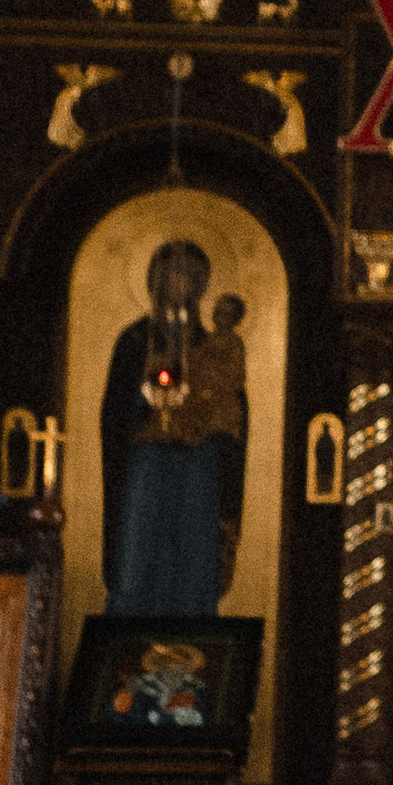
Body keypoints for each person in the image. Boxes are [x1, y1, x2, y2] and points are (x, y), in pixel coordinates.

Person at [101, 241, 247, 619]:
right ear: (155, 281)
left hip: (198, 460)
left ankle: (194, 623)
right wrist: (144, 402)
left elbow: (233, 404)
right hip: (146, 460)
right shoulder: (134, 340)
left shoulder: (213, 344)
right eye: (171, 275)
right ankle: (129, 626)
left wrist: (206, 411)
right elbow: (114, 410)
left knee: (193, 544)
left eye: (189, 277)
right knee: (141, 539)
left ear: (201, 286)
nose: (180, 284)